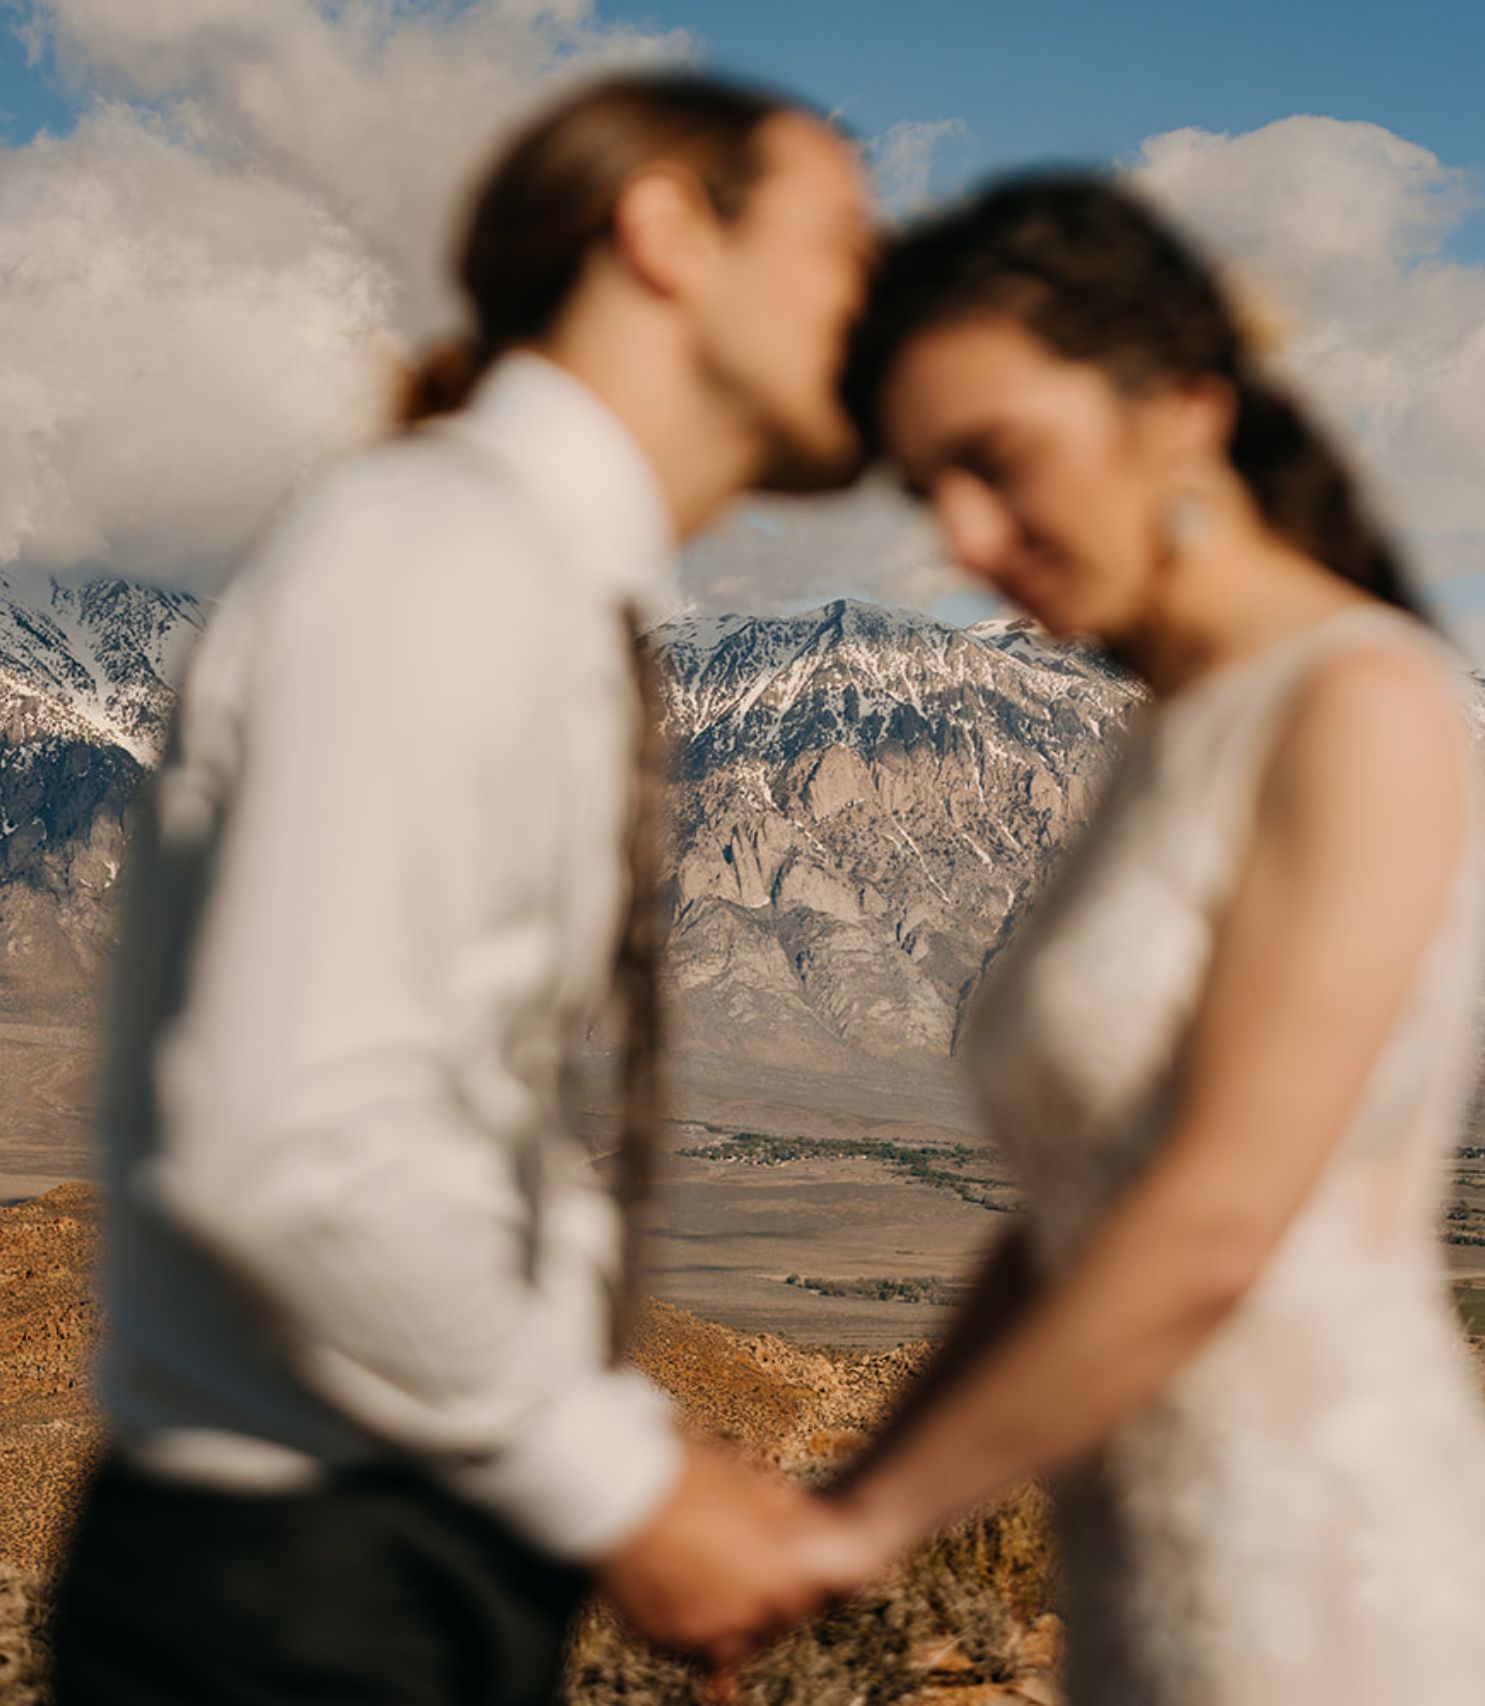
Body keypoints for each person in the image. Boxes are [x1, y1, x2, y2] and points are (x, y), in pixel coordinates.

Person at [51, 72, 874, 1705]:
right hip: (298, 1607)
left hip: (369, 1574)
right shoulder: (446, 560)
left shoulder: (508, 569)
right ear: (664, 230)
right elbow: (303, 1146)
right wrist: (626, 1488)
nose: (883, 296)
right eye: (848, 240)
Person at [784, 174, 1485, 1704]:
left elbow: (1215, 1221)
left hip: (1358, 1614)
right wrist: (838, 1503)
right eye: (924, 489)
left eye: (995, 462)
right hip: (1156, 1604)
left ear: (1180, 408)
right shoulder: (1163, 736)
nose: (959, 538)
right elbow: (1075, 1210)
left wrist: (860, 1531)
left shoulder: (1356, 703)